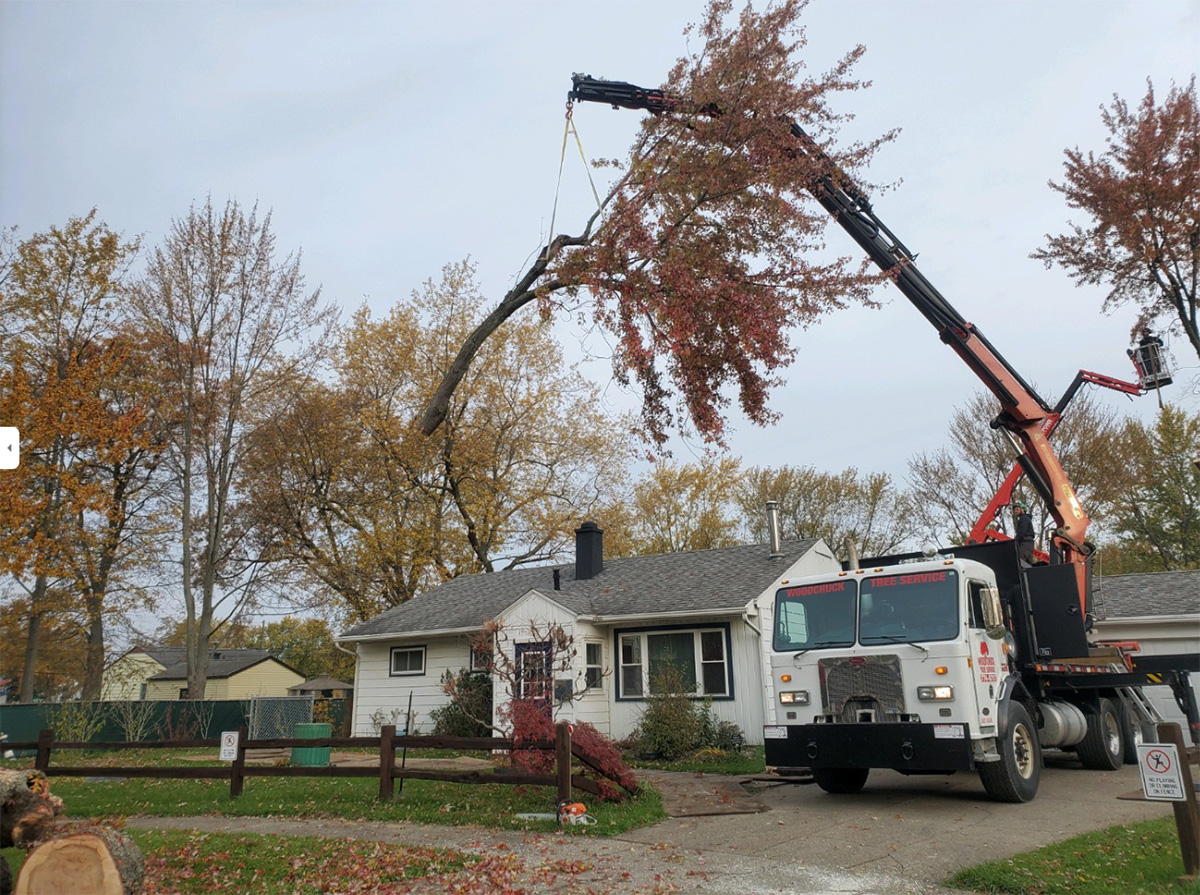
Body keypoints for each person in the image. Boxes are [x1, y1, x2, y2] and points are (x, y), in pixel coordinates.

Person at [1012, 501, 1035, 566]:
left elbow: (1021, 532)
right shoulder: (1026, 519)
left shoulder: (1024, 519)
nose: (1015, 511)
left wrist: (1015, 541)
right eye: (1014, 510)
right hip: (1029, 544)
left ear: (1022, 509)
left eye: (1017, 509)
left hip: (1025, 543)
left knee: (1019, 561)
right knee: (1028, 564)